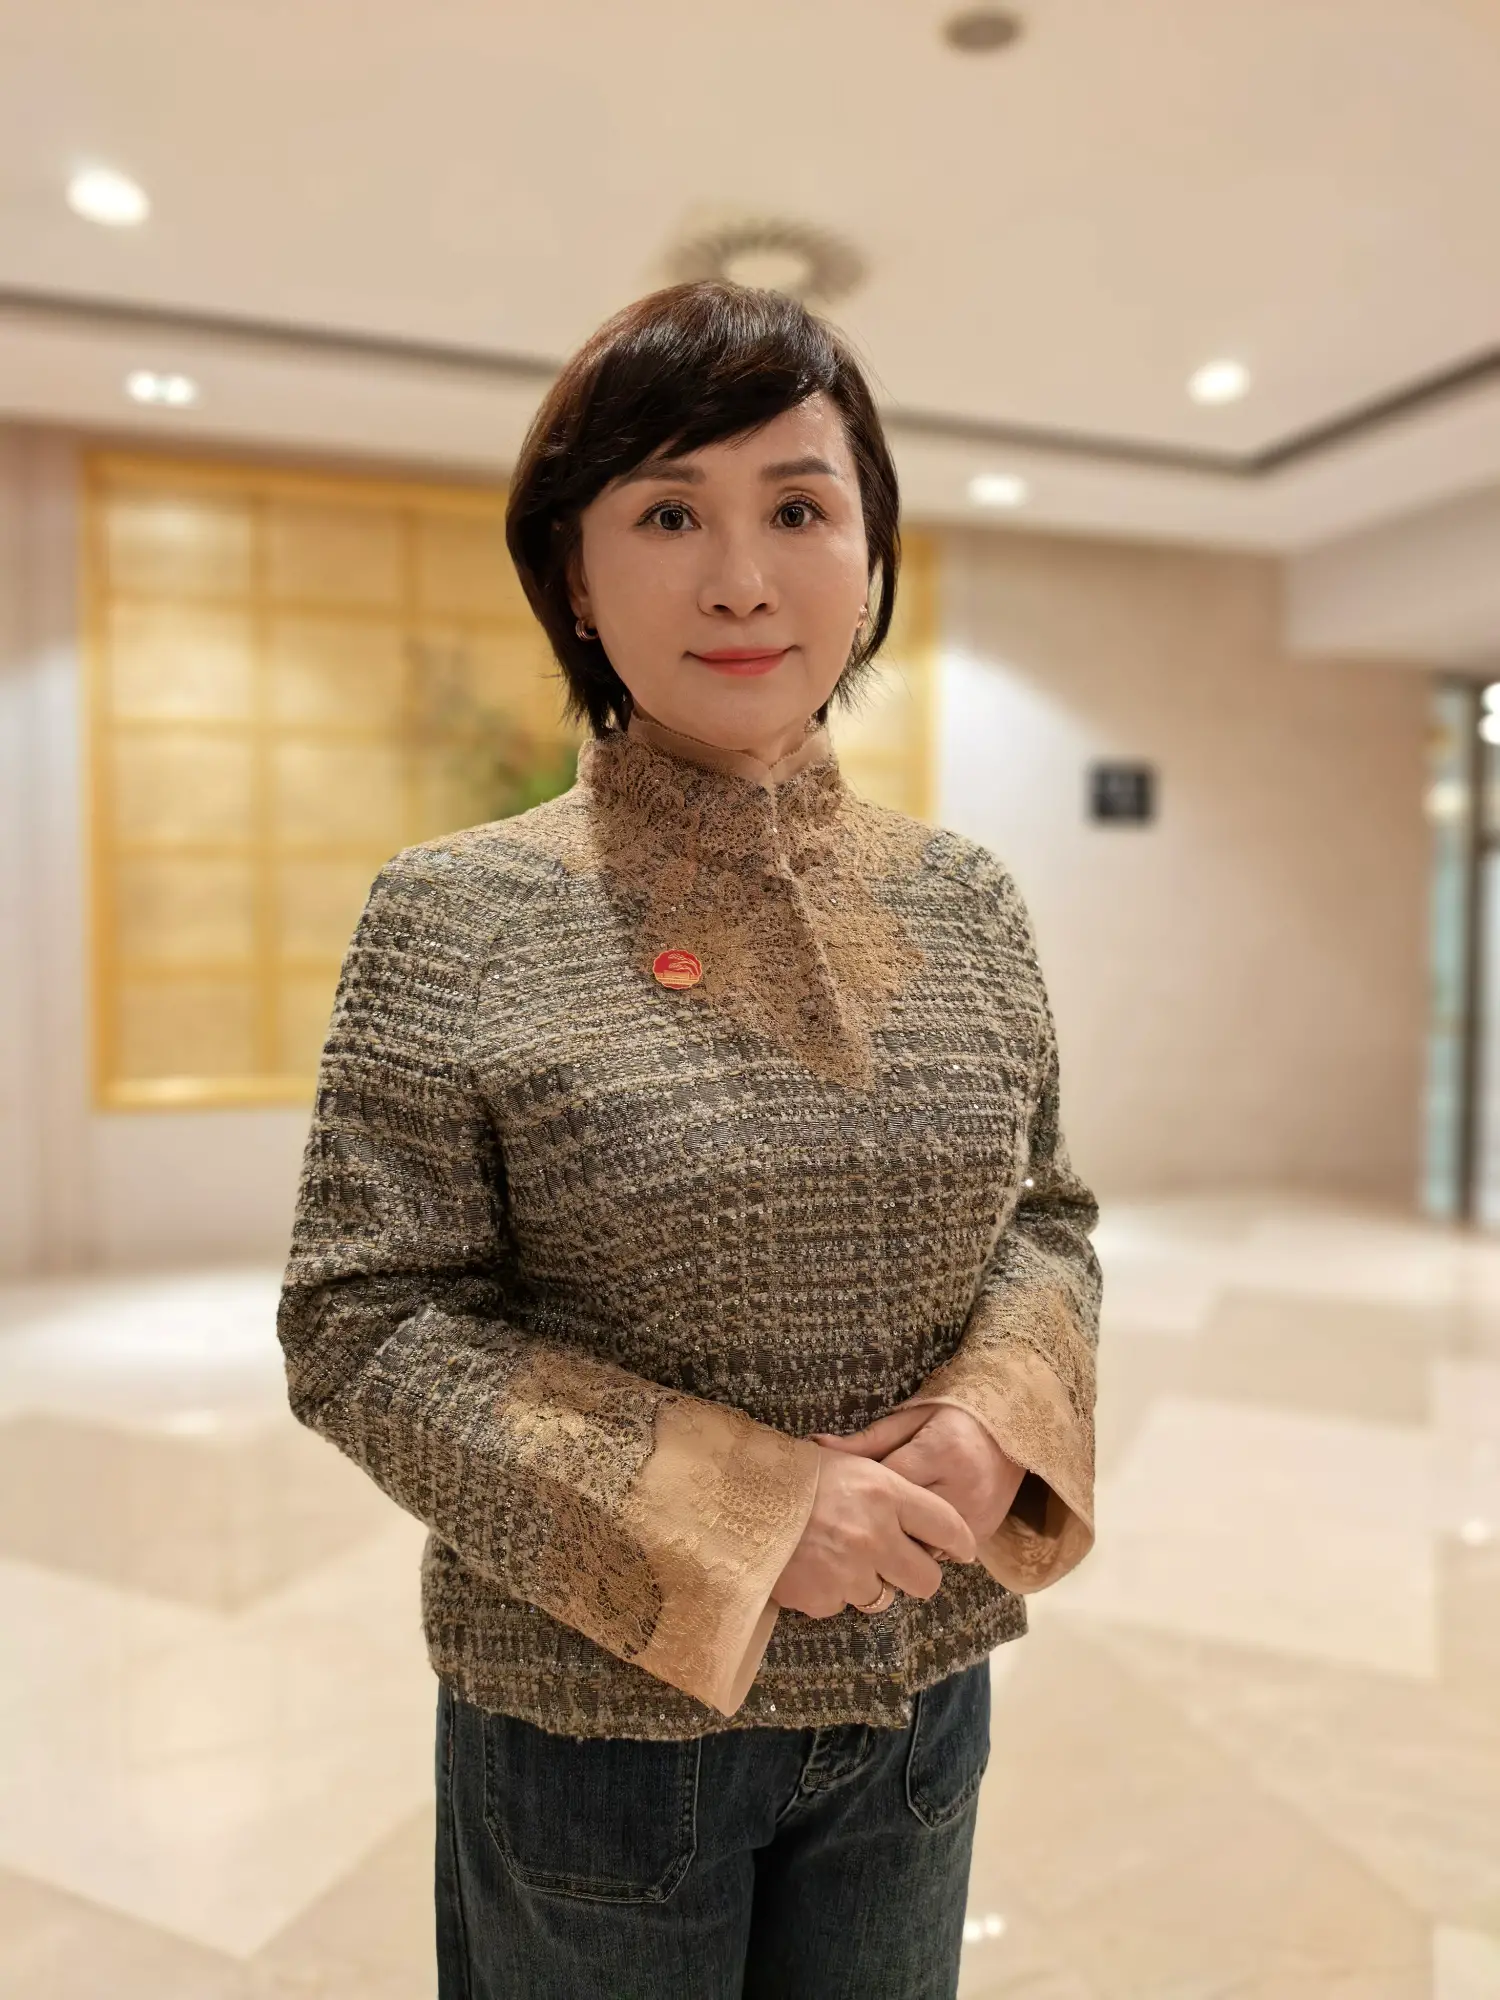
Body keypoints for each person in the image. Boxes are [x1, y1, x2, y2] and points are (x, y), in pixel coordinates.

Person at [276, 281, 1101, 2000]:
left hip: (919, 1690)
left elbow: (1045, 1218)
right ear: (575, 576)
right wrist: (746, 1514)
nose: (740, 579)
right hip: (594, 1727)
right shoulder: (457, 914)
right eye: (668, 515)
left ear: (869, 554)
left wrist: (993, 1420)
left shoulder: (967, 903)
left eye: (798, 509)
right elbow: (363, 1323)